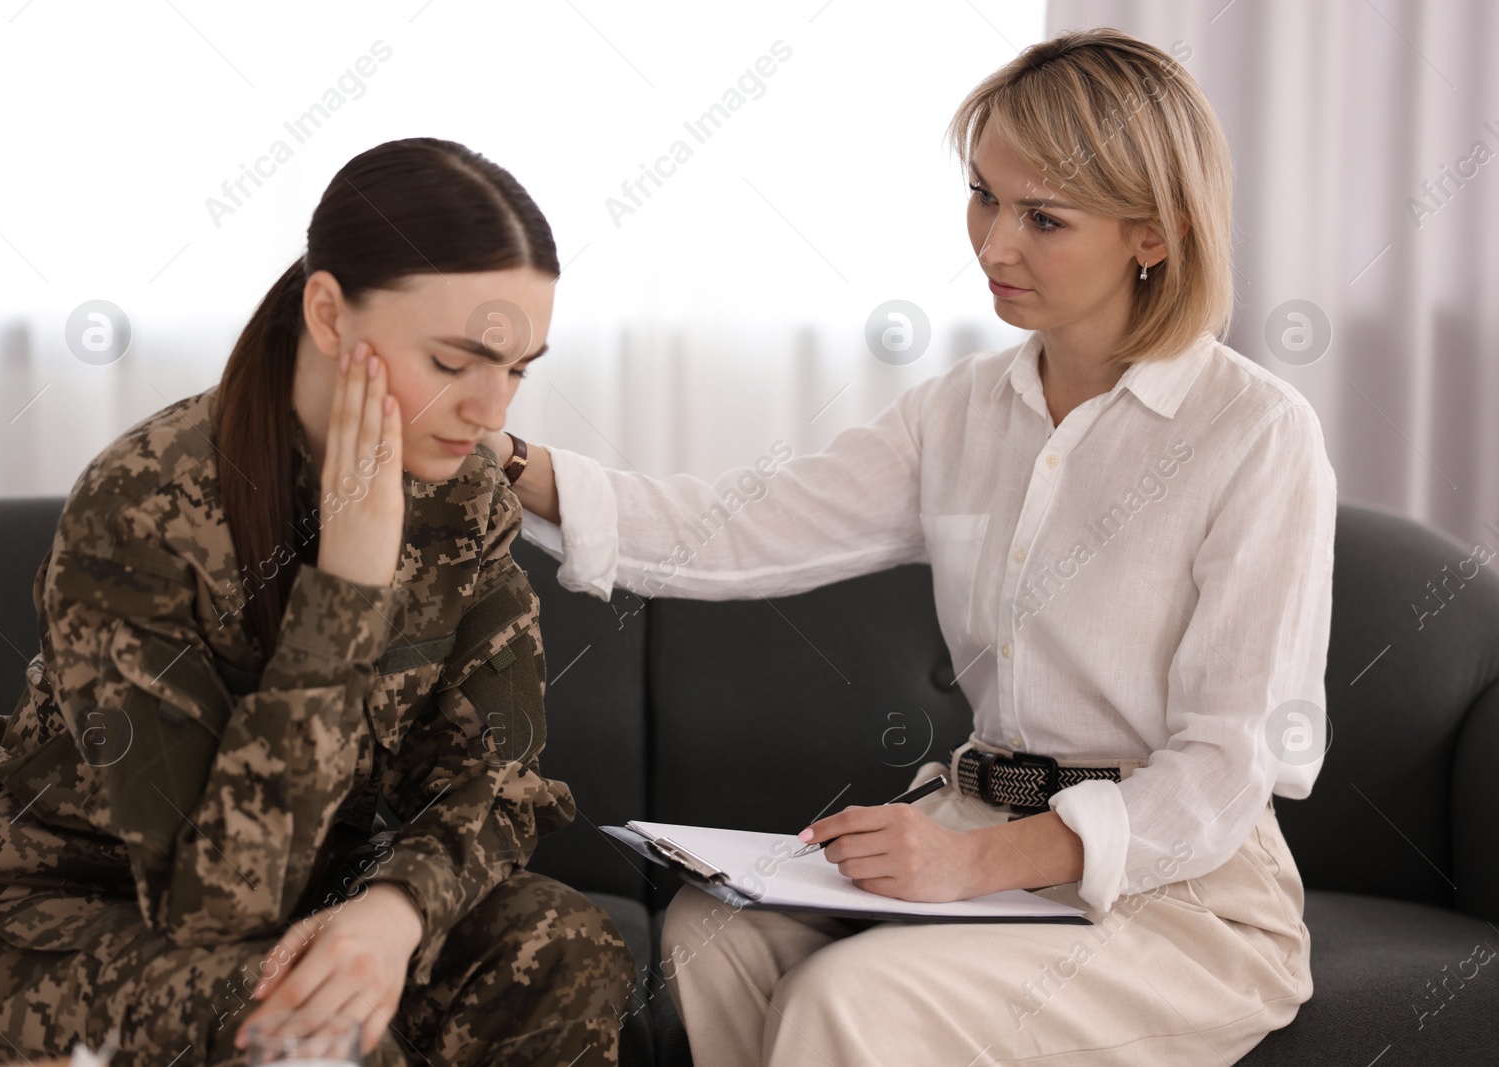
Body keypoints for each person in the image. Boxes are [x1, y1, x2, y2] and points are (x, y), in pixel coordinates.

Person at [487, 27, 1336, 1067]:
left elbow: (1225, 764)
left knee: (856, 999)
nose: (992, 244)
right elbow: (739, 529)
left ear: (1152, 234)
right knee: (713, 937)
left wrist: (965, 865)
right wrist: (501, 458)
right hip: (982, 837)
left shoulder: (1257, 433)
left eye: (1043, 218)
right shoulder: (960, 412)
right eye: (982, 195)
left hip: (1177, 902)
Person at [0, 138, 634, 1067]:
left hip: (310, 902)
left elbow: (498, 779)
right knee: (316, 1024)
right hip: (54, 923)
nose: (493, 411)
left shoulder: (464, 495)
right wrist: (348, 595)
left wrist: (393, 908)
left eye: (520, 367)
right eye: (456, 361)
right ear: (327, 313)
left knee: (564, 947)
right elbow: (216, 907)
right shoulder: (142, 504)